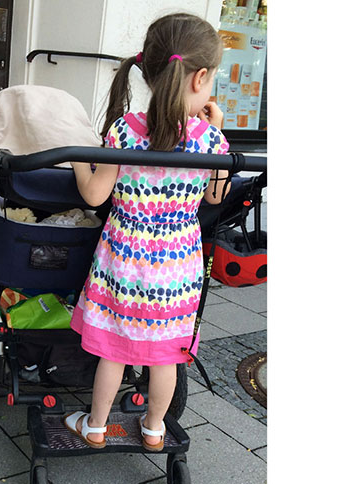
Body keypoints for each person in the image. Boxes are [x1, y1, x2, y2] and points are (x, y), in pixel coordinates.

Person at [64, 12, 231, 451]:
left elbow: (96, 196)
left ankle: (96, 426)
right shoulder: (209, 142)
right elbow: (216, 196)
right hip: (176, 272)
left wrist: (82, 156)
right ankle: (155, 429)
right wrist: (215, 130)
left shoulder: (125, 130)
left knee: (114, 353)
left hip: (122, 263)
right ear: (200, 79)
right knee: (166, 356)